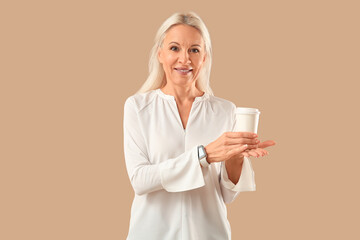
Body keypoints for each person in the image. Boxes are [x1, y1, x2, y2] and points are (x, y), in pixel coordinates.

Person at [123, 11, 276, 240]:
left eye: (194, 50)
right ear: (160, 54)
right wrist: (203, 156)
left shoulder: (225, 111)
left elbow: (226, 195)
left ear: (204, 58)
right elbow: (140, 180)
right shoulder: (138, 107)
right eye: (175, 48)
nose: (185, 59)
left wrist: (235, 157)